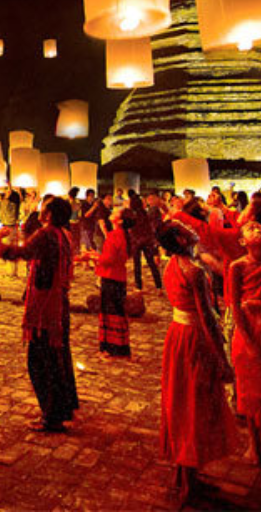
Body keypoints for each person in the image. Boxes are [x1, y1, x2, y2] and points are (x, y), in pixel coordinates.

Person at [157, 219, 237, 505]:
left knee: (181, 403)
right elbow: (207, 319)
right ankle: (189, 484)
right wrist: (223, 359)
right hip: (194, 339)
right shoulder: (195, 272)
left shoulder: (172, 265)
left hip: (178, 335)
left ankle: (186, 476)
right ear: (180, 240)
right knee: (194, 406)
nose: (191, 229)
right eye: (184, 228)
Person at [0, 197, 78, 433]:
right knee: (58, 359)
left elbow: (20, 252)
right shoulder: (65, 235)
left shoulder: (46, 234)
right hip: (59, 303)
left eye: (44, 207)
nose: (40, 209)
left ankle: (52, 416)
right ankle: (63, 408)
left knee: (40, 362)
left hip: (45, 306)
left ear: (49, 214)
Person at [229, 221, 261, 467]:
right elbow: (235, 306)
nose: (257, 229)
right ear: (242, 241)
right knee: (250, 393)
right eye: (250, 229)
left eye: (259, 227)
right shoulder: (237, 266)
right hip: (249, 330)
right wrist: (248, 342)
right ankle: (254, 444)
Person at [96, 207, 134, 358]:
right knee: (117, 313)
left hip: (111, 277)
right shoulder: (123, 235)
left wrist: (94, 258)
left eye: (116, 212)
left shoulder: (115, 235)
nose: (112, 211)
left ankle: (110, 349)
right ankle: (120, 347)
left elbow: (109, 259)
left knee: (110, 314)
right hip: (119, 277)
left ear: (120, 221)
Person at [127, 193, 162, 292]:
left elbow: (129, 229)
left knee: (137, 265)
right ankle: (159, 286)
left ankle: (138, 287)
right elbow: (149, 229)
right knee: (152, 264)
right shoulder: (144, 213)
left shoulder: (131, 214)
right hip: (146, 240)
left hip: (135, 241)